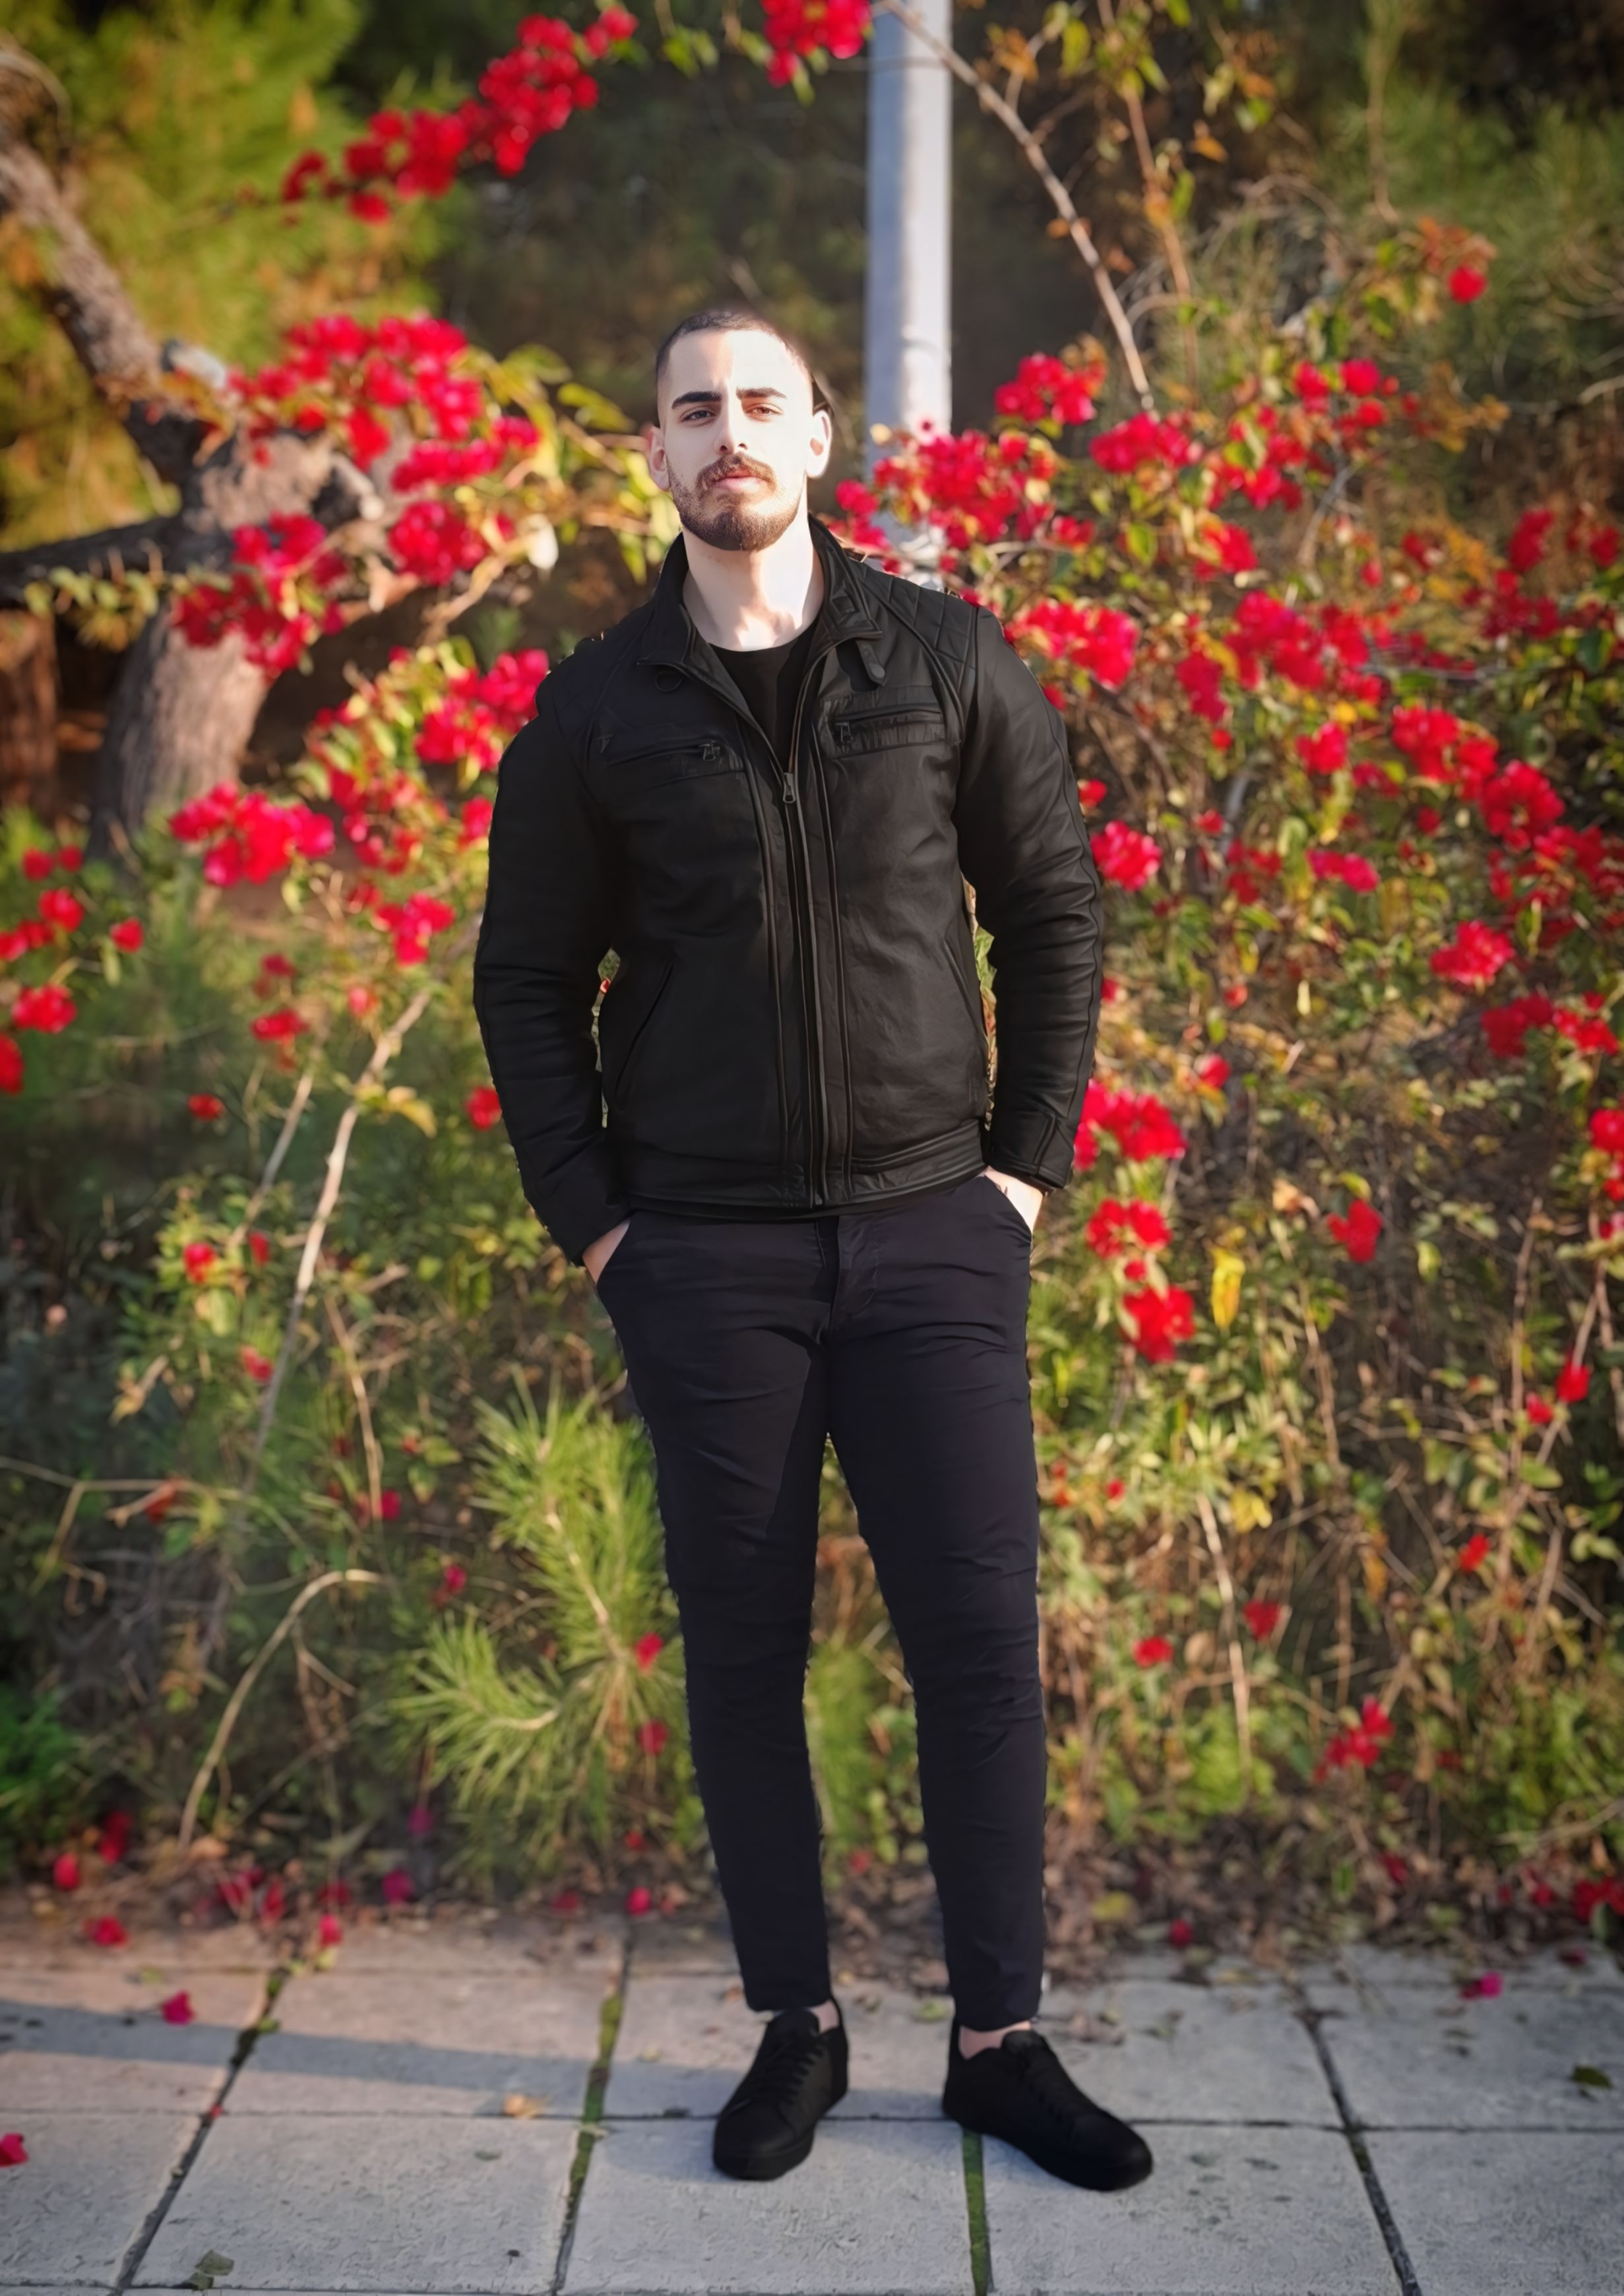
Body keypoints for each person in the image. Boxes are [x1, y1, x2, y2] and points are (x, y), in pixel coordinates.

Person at [472, 305, 1152, 2195]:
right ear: (656, 457)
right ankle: (801, 2027)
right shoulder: (596, 709)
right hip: (705, 1258)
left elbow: (1053, 910)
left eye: (761, 402)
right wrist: (601, 1228)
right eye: (694, 409)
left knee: (979, 1647)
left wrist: (1020, 1178)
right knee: (745, 1657)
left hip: (938, 1233)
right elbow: (527, 979)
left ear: (821, 438)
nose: (730, 433)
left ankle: (1000, 2047)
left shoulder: (942, 658)